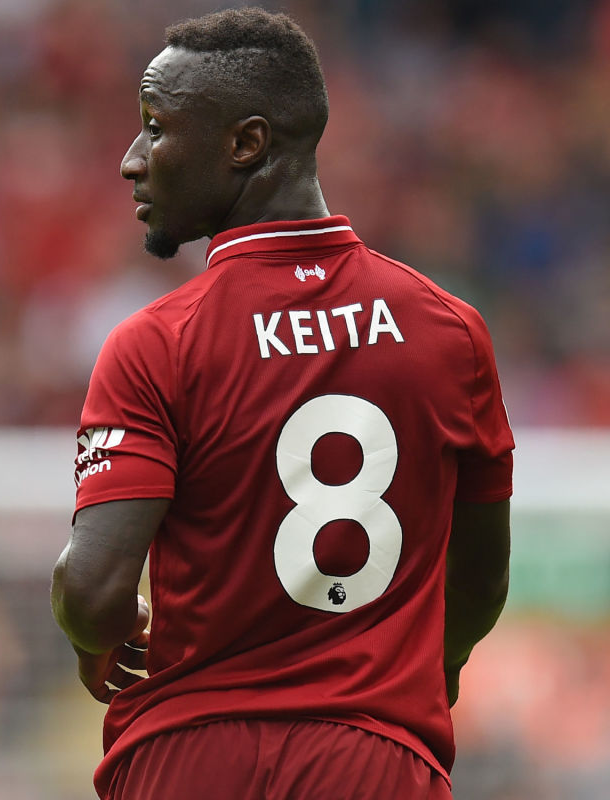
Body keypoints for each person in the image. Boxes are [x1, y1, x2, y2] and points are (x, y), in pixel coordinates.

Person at [50, 8, 513, 800]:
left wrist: (99, 634)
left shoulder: (160, 342)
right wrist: (428, 672)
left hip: (190, 760)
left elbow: (93, 595)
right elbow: (479, 581)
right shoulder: (449, 331)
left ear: (246, 144)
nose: (132, 160)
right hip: (376, 764)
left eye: (156, 128)